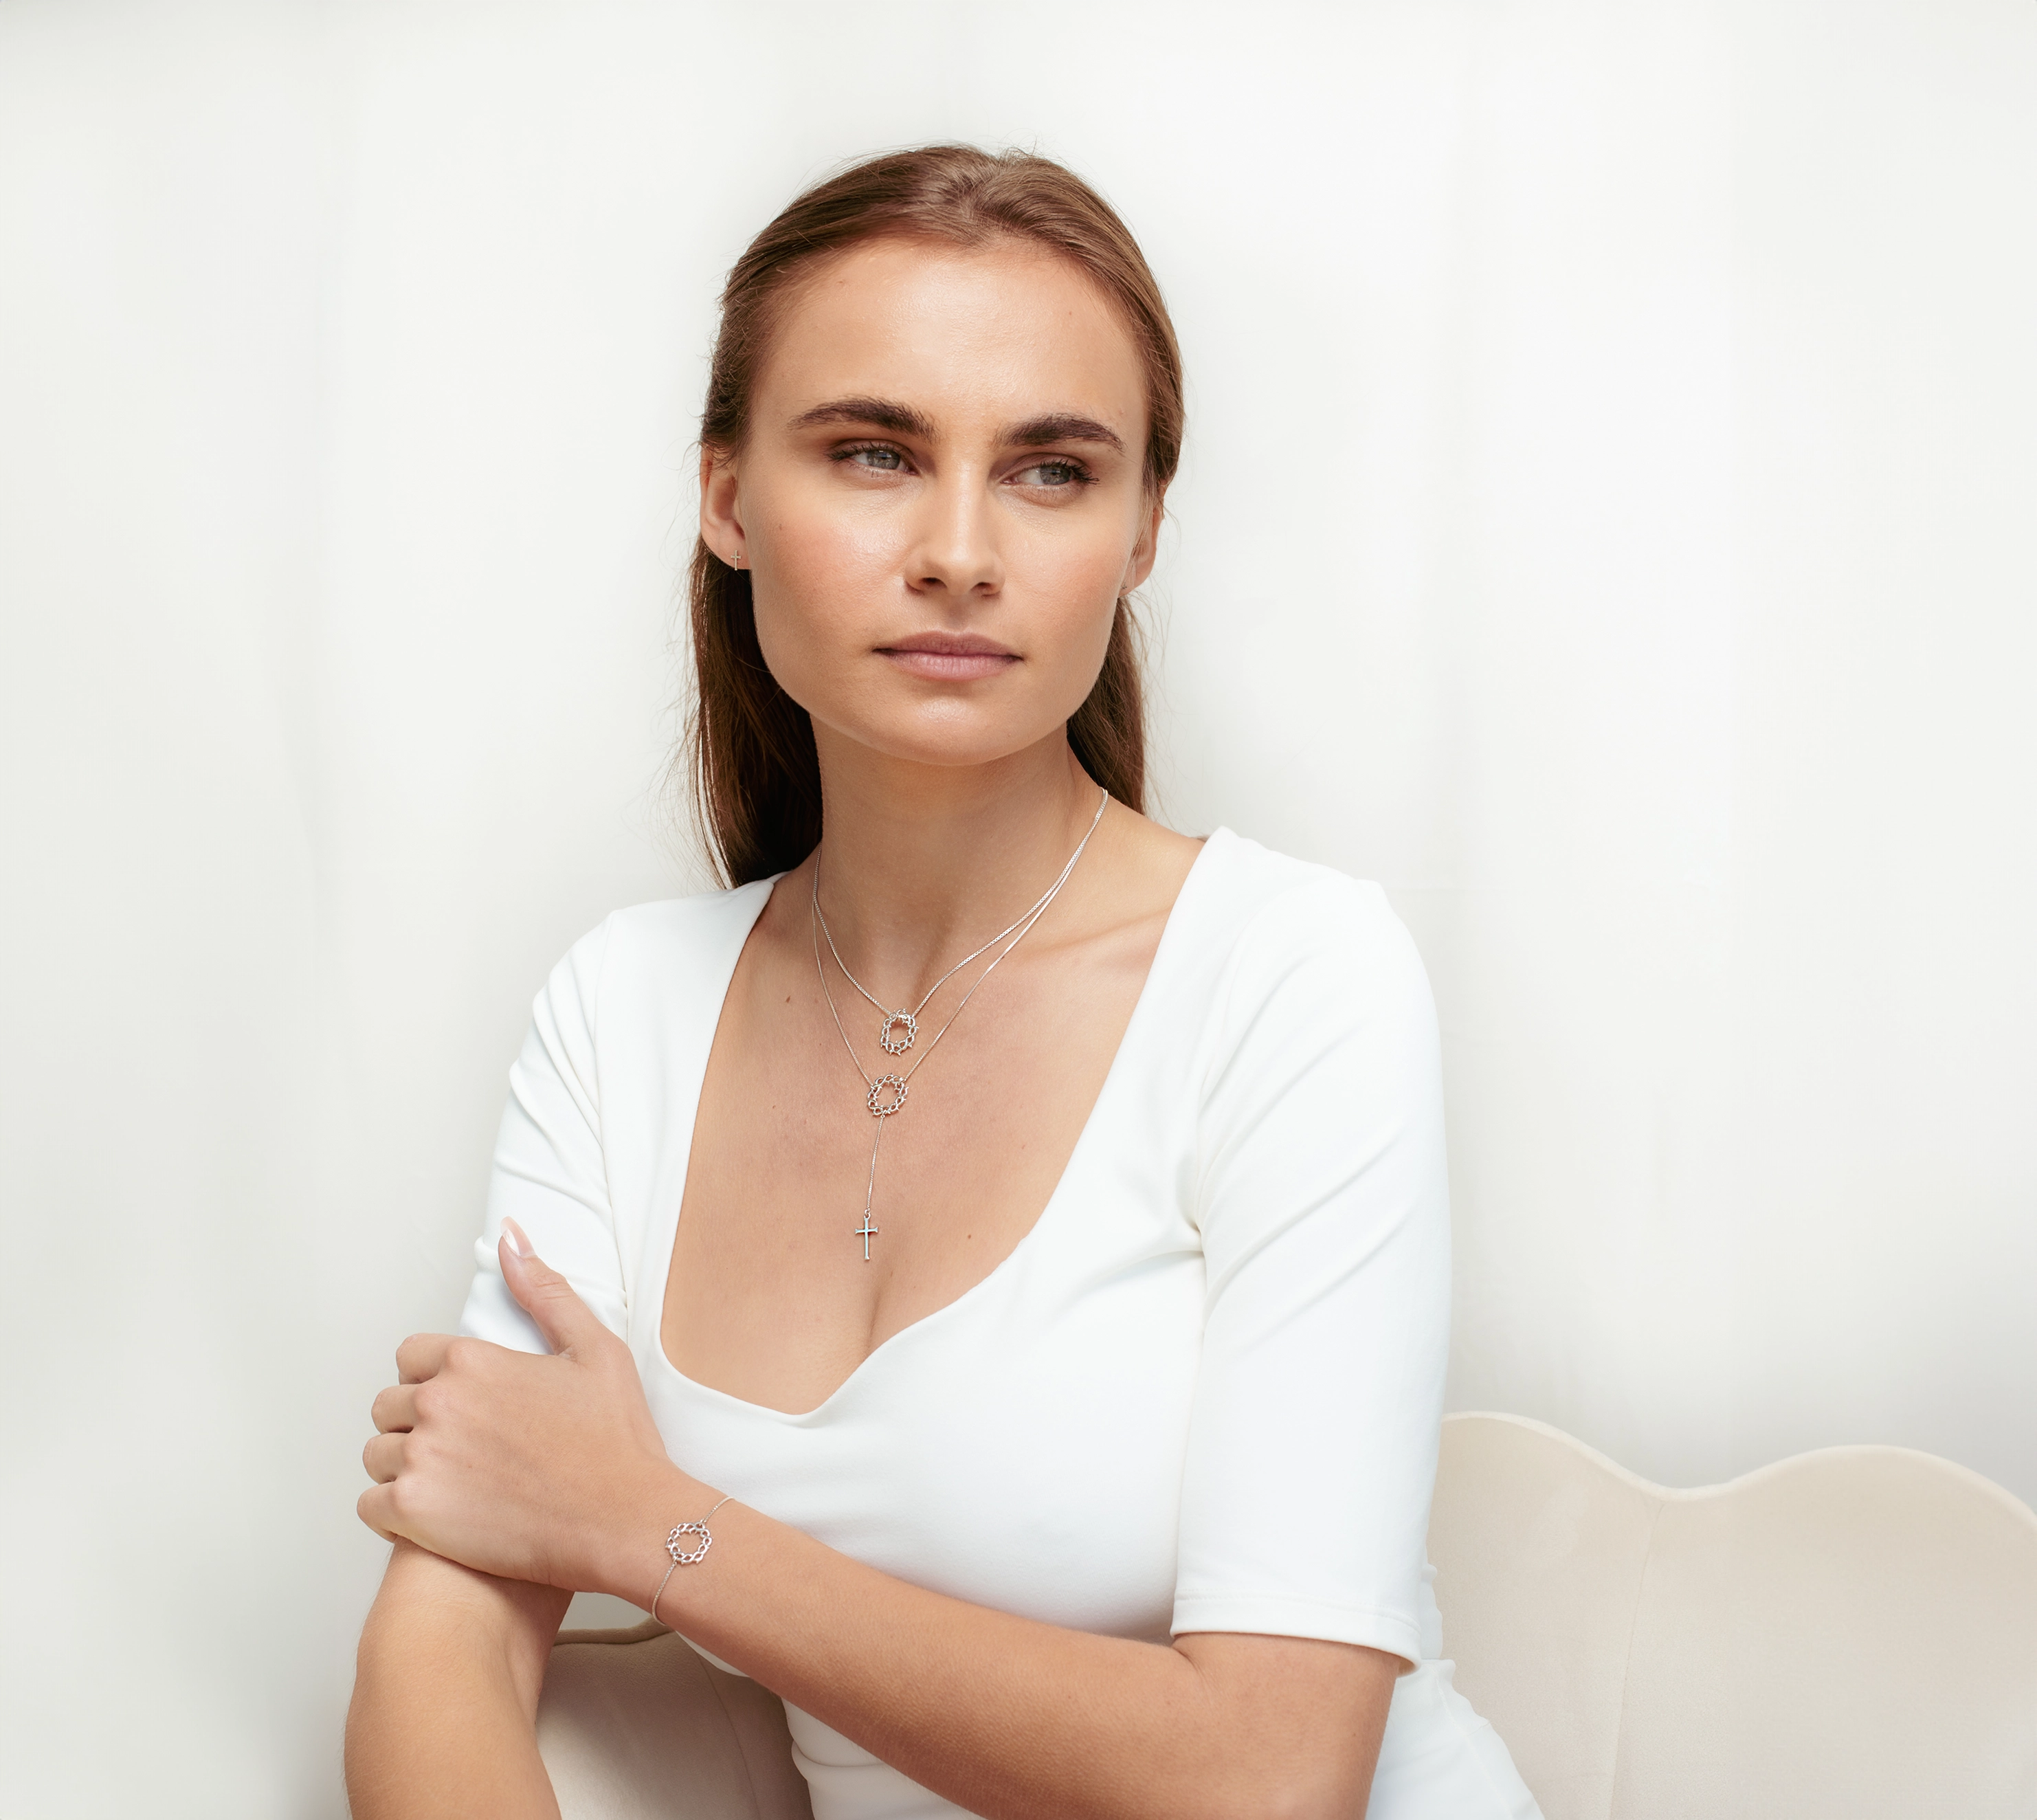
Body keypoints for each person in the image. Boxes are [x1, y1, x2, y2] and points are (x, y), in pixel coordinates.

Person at [345, 144, 1541, 1820]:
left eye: (1052, 471)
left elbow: (1271, 1778)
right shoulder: (621, 1010)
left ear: (1140, 534)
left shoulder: (1293, 977)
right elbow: (447, 1638)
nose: (961, 550)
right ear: (728, 497)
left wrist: (651, 1529)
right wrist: (560, 1521)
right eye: (873, 452)